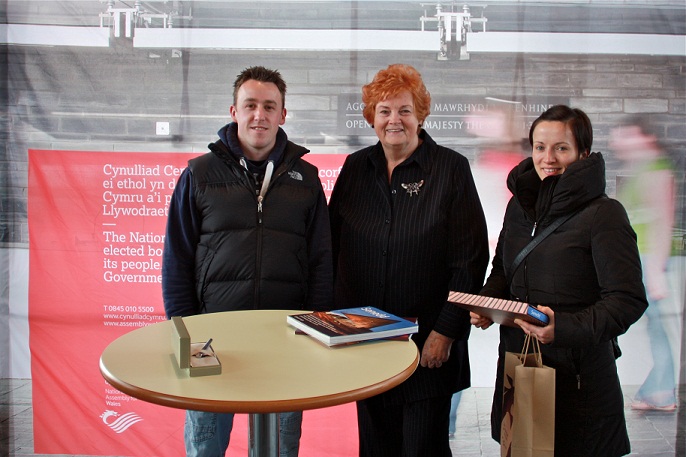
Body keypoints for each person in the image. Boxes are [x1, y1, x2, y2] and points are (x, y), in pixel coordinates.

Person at [162, 66, 334, 457]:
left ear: (282, 115)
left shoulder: (306, 179)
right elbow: (177, 260)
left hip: (287, 340)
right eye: (251, 105)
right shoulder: (198, 174)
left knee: (278, 450)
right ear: (234, 110)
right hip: (211, 337)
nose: (260, 115)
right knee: (206, 448)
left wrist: (315, 328)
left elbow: (321, 259)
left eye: (269, 106)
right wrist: (186, 335)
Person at [328, 64, 489, 457]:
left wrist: (445, 333)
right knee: (376, 448)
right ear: (371, 117)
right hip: (366, 340)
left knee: (422, 449)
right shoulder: (354, 168)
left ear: (420, 115)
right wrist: (335, 324)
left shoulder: (450, 169)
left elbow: (470, 260)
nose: (393, 120)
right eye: (384, 111)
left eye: (404, 110)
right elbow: (332, 250)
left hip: (427, 346)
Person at [470, 105, 648, 456]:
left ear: (583, 153)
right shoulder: (519, 207)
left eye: (560, 148)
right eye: (539, 147)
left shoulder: (604, 214)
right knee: (522, 450)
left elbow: (627, 299)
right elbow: (504, 270)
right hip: (521, 366)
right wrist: (487, 303)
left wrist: (562, 328)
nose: (547, 158)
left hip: (580, 382)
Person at [610, 117, 678, 412]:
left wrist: (656, 272)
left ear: (643, 137)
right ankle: (659, 390)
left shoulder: (657, 170)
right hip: (641, 260)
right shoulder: (642, 170)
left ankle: (662, 391)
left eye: (625, 136)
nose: (618, 143)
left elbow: (664, 220)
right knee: (656, 329)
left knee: (659, 329)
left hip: (650, 260)